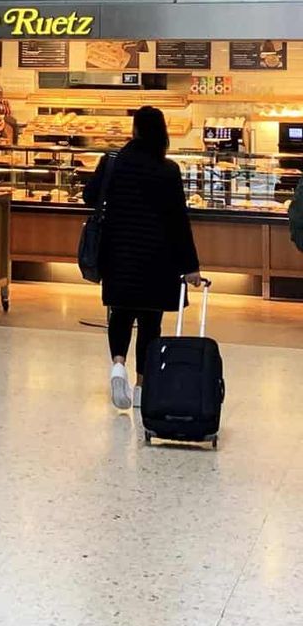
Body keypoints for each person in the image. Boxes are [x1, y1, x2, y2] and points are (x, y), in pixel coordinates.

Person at [84, 105, 202, 412]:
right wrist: (190, 267)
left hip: (118, 253)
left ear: (134, 130)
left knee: (120, 314)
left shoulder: (112, 162)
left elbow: (88, 197)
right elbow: (179, 221)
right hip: (158, 258)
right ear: (162, 133)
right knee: (151, 323)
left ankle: (118, 366)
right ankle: (140, 386)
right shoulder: (168, 170)